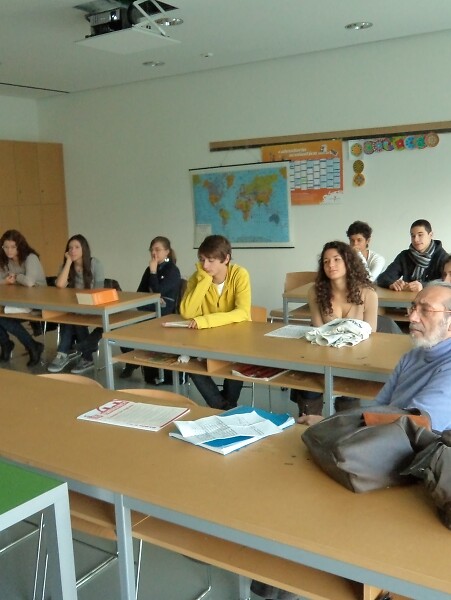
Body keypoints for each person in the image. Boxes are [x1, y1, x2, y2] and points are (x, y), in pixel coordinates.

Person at [299, 281, 451, 432]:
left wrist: (333, 426)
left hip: (411, 442)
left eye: (426, 310)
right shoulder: (413, 355)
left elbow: (414, 427)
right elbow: (378, 407)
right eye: (413, 307)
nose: (412, 317)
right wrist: (330, 422)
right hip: (385, 434)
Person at [291, 241, 378, 416]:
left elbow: (370, 334)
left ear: (348, 262)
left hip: (356, 357)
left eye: (336, 259)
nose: (331, 265)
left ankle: (345, 424)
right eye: (326, 261)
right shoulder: (315, 292)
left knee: (349, 393)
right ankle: (308, 422)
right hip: (323, 354)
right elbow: (318, 331)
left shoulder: (368, 294)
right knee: (308, 384)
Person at [179, 234, 251, 410]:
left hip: (237, 339)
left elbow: (242, 312)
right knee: (190, 363)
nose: (205, 265)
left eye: (211, 260)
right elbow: (187, 312)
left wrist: (205, 320)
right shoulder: (197, 277)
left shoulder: (239, 274)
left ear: (226, 259)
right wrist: (204, 281)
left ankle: (221, 406)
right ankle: (225, 407)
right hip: (207, 341)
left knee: (238, 361)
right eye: (202, 260)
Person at [119, 236, 181, 379]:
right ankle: (131, 360)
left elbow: (159, 291)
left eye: (157, 250)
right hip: (149, 305)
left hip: (164, 309)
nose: (154, 253)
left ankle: (133, 362)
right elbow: (140, 291)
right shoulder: (149, 269)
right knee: (120, 322)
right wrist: (151, 275)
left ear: (167, 251)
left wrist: (153, 273)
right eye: (151, 250)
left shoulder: (172, 270)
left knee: (126, 320)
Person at [47, 234, 104, 374]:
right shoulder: (66, 266)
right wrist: (68, 262)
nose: (73, 250)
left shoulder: (95, 264)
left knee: (72, 318)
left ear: (84, 249)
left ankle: (63, 353)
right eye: (70, 248)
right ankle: (85, 357)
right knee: (69, 317)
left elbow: (99, 290)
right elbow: (60, 285)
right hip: (72, 307)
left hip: (92, 306)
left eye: (77, 247)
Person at [0, 229, 45, 367]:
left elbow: (30, 282)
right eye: (5, 247)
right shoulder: (5, 260)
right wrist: (5, 281)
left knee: (3, 318)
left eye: (13, 247)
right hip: (18, 301)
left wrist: (16, 276)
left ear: (20, 246)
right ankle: (7, 344)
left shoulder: (30, 258)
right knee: (2, 316)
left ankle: (31, 345)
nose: (9, 250)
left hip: (38, 301)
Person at [377, 219, 447, 291]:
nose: (416, 239)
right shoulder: (404, 256)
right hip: (407, 297)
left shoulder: (444, 258)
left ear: (430, 235)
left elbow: (446, 284)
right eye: (413, 236)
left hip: (433, 297)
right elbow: (383, 278)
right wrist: (391, 283)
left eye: (420, 235)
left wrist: (423, 286)